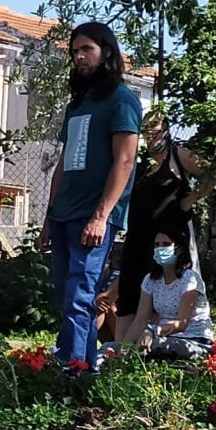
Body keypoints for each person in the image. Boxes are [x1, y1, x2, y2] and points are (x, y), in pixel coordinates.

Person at [40, 22, 142, 374]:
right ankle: (78, 367)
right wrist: (49, 216)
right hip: (65, 213)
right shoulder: (78, 105)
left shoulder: (123, 101)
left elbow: (125, 160)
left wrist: (102, 215)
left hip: (93, 216)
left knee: (81, 296)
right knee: (67, 298)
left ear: (107, 53)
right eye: (74, 52)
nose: (79, 57)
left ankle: (74, 370)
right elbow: (64, 164)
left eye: (86, 50)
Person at [110, 111, 216, 347]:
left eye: (155, 127)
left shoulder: (178, 155)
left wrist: (190, 199)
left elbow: (213, 173)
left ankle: (155, 348)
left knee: (164, 289)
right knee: (130, 292)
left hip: (168, 238)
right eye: (145, 129)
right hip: (137, 238)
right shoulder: (141, 165)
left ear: (166, 128)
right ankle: (119, 354)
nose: (150, 133)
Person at [130, 230, 214, 361]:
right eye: (156, 245)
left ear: (179, 249)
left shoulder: (190, 279)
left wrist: (153, 331)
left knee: (154, 346)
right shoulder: (150, 280)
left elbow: (181, 323)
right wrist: (122, 347)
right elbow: (140, 319)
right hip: (164, 337)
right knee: (109, 348)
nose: (160, 249)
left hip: (194, 340)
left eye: (165, 244)